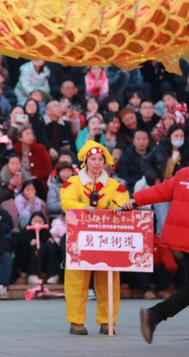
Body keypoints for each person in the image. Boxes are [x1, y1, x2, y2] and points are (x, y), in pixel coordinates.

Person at [61, 141, 129, 335]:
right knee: (76, 281)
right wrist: (83, 208)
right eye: (93, 159)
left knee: (108, 280)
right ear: (85, 161)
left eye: (100, 159)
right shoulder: (73, 183)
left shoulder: (116, 186)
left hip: (106, 240)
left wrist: (118, 208)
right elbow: (66, 202)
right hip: (79, 238)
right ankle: (76, 321)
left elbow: (123, 203)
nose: (97, 163)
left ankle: (107, 321)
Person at [120, 162, 189, 344]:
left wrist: (136, 200)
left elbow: (161, 190)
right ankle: (155, 315)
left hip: (182, 239)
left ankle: (155, 315)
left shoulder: (183, 175)